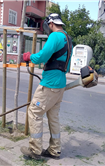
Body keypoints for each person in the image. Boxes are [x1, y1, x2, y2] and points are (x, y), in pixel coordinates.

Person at [20, 13, 73, 160]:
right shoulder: (68, 39)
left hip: (50, 84)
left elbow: (42, 56)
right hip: (60, 83)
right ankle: (55, 150)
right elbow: (66, 64)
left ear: (51, 24)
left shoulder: (55, 36)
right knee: (53, 117)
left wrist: (29, 57)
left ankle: (35, 150)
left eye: (48, 26)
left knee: (34, 112)